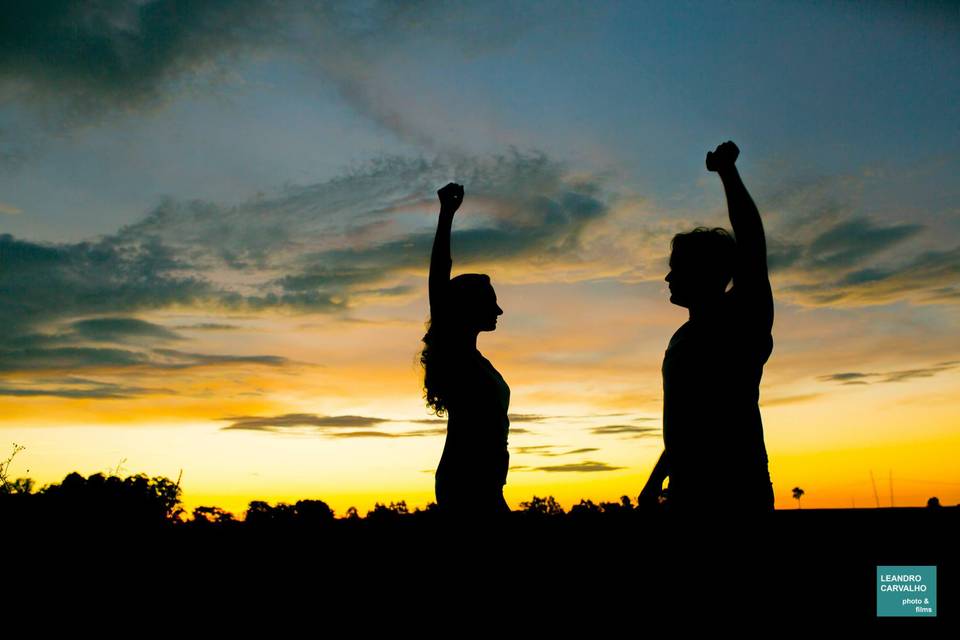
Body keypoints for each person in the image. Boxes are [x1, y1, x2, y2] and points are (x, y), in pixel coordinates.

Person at [639, 141, 775, 514]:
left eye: (677, 268)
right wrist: (655, 481)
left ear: (705, 273)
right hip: (686, 491)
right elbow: (690, 422)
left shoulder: (742, 317)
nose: (667, 276)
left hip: (735, 489)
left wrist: (727, 173)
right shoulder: (682, 337)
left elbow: (751, 243)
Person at [421, 182, 511, 517]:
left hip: (485, 485)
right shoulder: (454, 354)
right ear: (467, 308)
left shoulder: (474, 360)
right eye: (492, 303)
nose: (500, 311)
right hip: (466, 486)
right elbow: (438, 279)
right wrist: (446, 215)